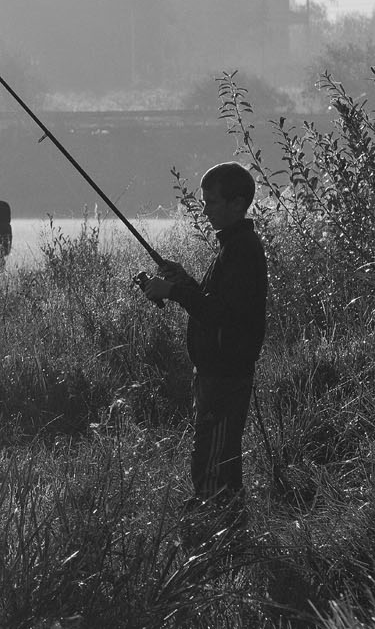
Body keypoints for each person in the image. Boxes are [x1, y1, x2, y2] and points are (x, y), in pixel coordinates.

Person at [137, 162, 267, 528]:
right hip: (215, 372)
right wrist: (183, 281)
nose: (205, 209)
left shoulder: (242, 250)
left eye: (211, 202)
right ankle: (226, 527)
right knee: (215, 452)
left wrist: (175, 292)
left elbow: (222, 314)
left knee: (213, 458)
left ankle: (213, 529)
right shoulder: (232, 246)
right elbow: (216, 303)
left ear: (237, 203)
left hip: (226, 374)